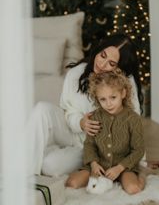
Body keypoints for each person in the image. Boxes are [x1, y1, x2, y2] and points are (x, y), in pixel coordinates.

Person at [28, 34, 142, 178]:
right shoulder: (77, 73)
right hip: (71, 131)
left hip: (92, 148)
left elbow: (134, 125)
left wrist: (138, 161)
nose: (102, 64)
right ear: (99, 50)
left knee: (49, 166)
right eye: (103, 55)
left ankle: (45, 150)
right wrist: (80, 122)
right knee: (41, 109)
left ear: (120, 68)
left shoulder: (125, 83)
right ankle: (23, 175)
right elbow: (67, 110)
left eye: (111, 63)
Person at [65, 68, 145, 195]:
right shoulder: (95, 117)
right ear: (97, 99)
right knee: (72, 183)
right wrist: (93, 164)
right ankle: (98, 173)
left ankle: (141, 175)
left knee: (133, 189)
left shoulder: (133, 119)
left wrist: (119, 168)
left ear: (123, 93)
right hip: (99, 165)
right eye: (103, 99)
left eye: (113, 97)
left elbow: (139, 149)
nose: (108, 104)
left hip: (123, 166)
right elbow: (89, 144)